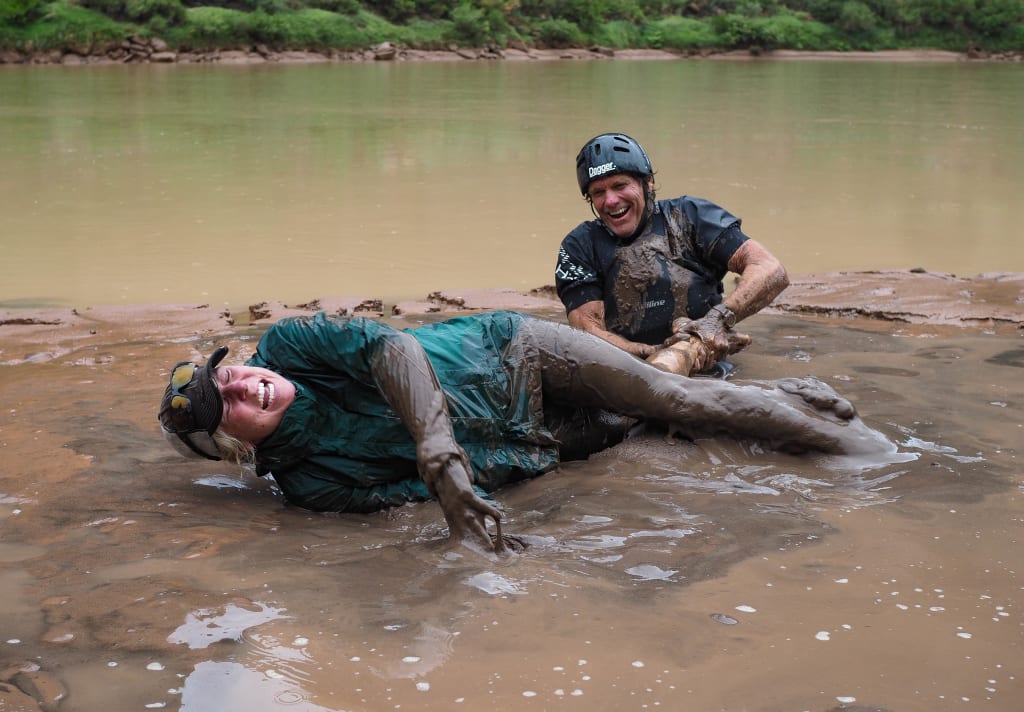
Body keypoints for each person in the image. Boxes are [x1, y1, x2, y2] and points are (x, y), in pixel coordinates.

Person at [159, 310, 892, 555]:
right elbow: (410, 503)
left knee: (677, 402)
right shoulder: (310, 486)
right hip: (523, 445)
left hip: (515, 353)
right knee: (645, 427)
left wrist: (436, 445)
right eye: (233, 404)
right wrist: (469, 507)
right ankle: (787, 396)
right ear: (239, 447)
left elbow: (394, 350)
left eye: (231, 373)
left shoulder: (290, 345)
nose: (247, 382)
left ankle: (880, 458)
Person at [555, 132, 790, 375]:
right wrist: (650, 353)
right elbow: (587, 332)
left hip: (708, 365)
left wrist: (716, 322)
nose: (611, 200)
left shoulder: (690, 217)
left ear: (648, 183)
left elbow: (770, 269)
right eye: (598, 192)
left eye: (620, 185)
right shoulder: (579, 245)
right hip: (624, 370)